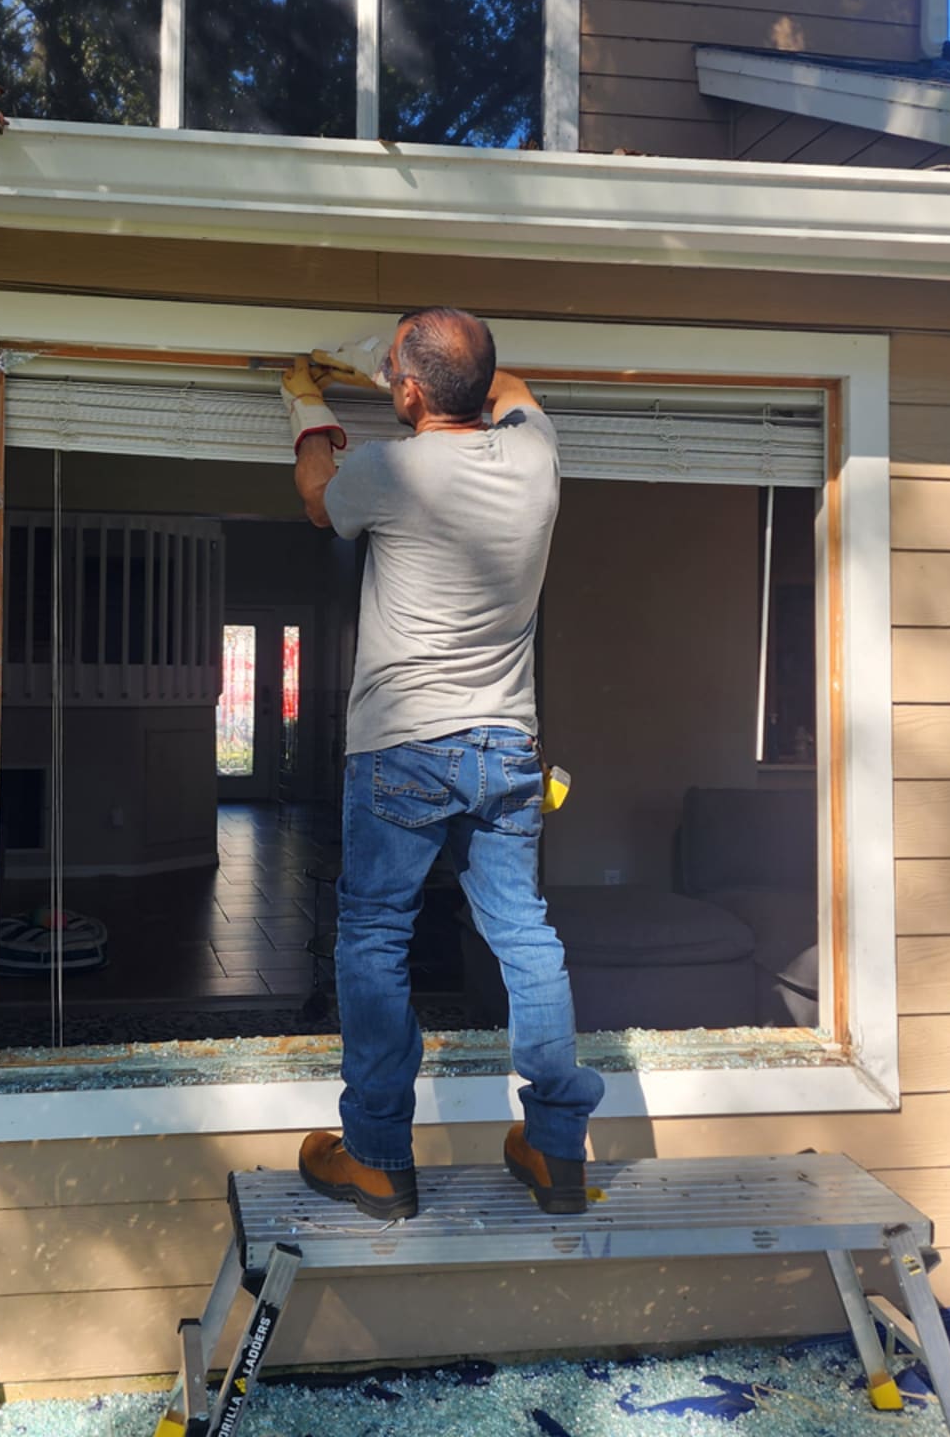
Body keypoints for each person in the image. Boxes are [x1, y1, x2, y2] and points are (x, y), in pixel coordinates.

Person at [280, 307, 605, 1220]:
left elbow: (317, 495)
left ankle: (380, 1157)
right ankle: (553, 1150)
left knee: (376, 939)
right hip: (507, 746)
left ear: (413, 392)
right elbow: (504, 386)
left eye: (393, 374)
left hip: (403, 747)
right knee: (526, 936)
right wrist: (398, 360)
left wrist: (309, 393)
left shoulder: (389, 468)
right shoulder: (534, 455)